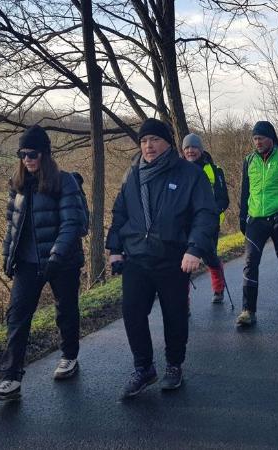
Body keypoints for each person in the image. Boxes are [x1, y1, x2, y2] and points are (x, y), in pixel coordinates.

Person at [106, 118, 217, 396]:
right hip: (137, 257)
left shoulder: (188, 174)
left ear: (168, 142)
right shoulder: (132, 174)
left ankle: (174, 365)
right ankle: (144, 368)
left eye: (154, 140)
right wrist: (115, 248)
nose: (148, 146)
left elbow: (205, 214)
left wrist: (194, 249)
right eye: (144, 141)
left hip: (173, 257)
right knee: (132, 312)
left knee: (175, 315)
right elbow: (120, 213)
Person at [0, 125, 87, 401]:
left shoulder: (64, 181)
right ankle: (11, 378)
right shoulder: (17, 185)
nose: (28, 159)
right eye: (23, 154)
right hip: (27, 262)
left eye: (33, 153)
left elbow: (72, 223)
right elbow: (11, 226)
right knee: (17, 316)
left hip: (62, 261)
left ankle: (69, 356)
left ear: (45, 154)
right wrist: (7, 258)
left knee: (65, 309)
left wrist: (56, 255)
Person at [237, 121, 278, 326]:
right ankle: (248, 311)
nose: (257, 142)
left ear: (271, 138)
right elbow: (245, 192)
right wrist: (242, 216)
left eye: (261, 138)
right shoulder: (248, 161)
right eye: (254, 138)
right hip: (256, 219)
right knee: (250, 263)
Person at [181, 133, 230, 303]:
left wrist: (211, 215)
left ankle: (218, 289)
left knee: (210, 258)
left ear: (201, 149)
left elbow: (224, 199)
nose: (190, 151)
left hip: (208, 225)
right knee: (183, 262)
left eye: (194, 147)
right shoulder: (178, 170)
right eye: (186, 148)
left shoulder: (215, 171)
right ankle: (183, 302)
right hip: (184, 225)